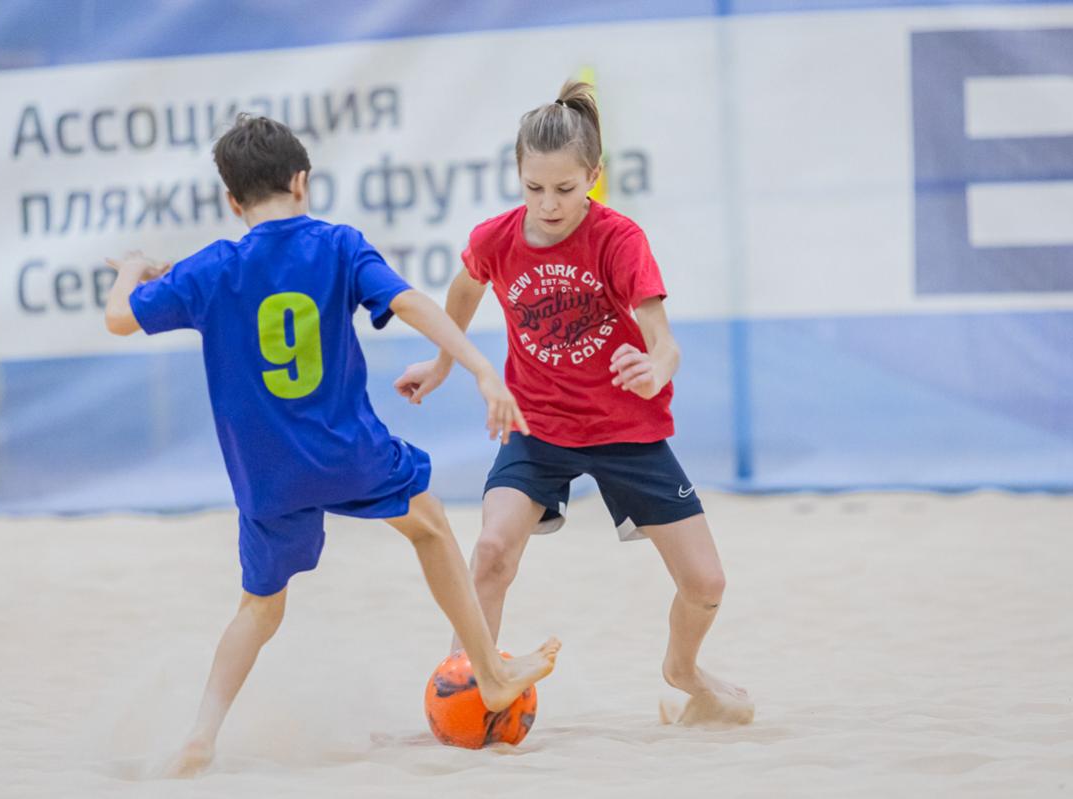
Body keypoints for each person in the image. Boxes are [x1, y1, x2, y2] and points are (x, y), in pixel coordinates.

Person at [102, 114, 560, 777]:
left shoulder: (212, 267)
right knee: (430, 526)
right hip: (347, 453)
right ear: (301, 181)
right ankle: (489, 673)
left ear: (231, 201)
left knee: (259, 608)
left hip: (266, 477)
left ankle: (200, 733)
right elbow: (411, 303)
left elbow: (120, 318)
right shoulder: (338, 246)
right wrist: (480, 368)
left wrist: (132, 271)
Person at [394, 81, 752, 726]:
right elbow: (465, 288)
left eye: (565, 188)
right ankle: (464, 688)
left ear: (593, 176)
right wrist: (443, 362)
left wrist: (655, 368)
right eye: (534, 187)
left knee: (706, 585)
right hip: (536, 427)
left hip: (626, 430)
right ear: (518, 174)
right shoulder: (496, 239)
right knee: (491, 550)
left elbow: (665, 343)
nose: (549, 203)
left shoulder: (619, 239)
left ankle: (682, 669)